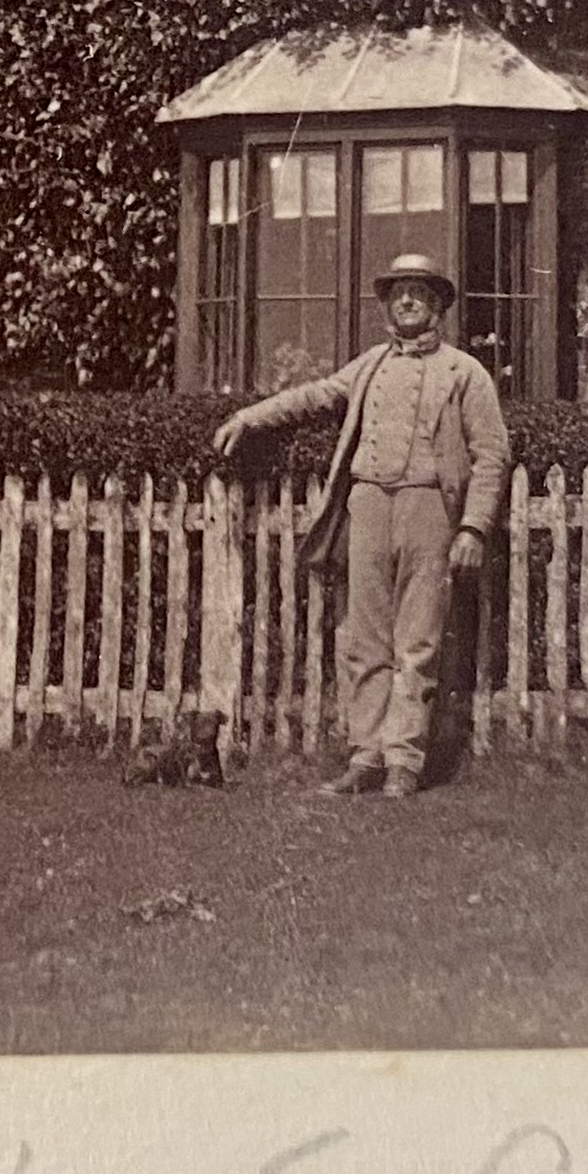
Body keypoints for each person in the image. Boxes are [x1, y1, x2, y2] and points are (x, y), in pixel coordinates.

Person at [213, 251, 514, 798]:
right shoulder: (370, 365)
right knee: (365, 637)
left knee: (418, 640)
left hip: (429, 510)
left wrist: (472, 527)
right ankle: (366, 756)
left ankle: (404, 761)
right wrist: (247, 418)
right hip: (368, 506)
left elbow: (492, 456)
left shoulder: (465, 373)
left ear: (438, 307)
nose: (407, 301)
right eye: (399, 292)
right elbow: (314, 396)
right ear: (387, 305)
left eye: (420, 293)